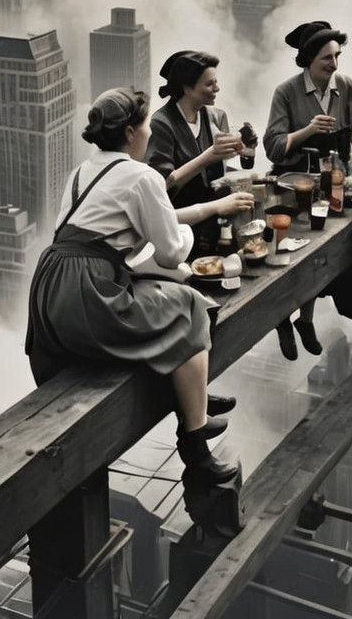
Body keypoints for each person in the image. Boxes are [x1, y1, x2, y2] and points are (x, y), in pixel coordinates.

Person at [25, 87, 253, 482]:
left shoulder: (82, 173)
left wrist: (191, 214)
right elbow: (171, 254)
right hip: (91, 293)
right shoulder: (141, 175)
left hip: (51, 289)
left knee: (170, 299)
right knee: (191, 306)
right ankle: (195, 443)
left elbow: (111, 230)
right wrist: (182, 238)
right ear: (131, 132)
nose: (149, 133)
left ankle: (192, 397)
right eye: (146, 126)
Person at [262, 21, 352, 359]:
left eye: (337, 57)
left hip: (332, 181)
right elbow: (274, 148)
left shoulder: (345, 87)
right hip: (292, 183)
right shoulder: (287, 92)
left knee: (319, 254)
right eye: (326, 59)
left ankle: (304, 320)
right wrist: (308, 130)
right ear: (308, 59)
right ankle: (281, 318)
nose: (334, 66)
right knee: (286, 254)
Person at [144, 51, 241, 258]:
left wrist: (244, 147)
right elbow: (162, 183)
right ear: (187, 88)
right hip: (180, 227)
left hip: (210, 219)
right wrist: (208, 157)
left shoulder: (205, 114)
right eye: (209, 84)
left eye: (216, 82)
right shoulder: (161, 123)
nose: (217, 88)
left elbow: (217, 159)